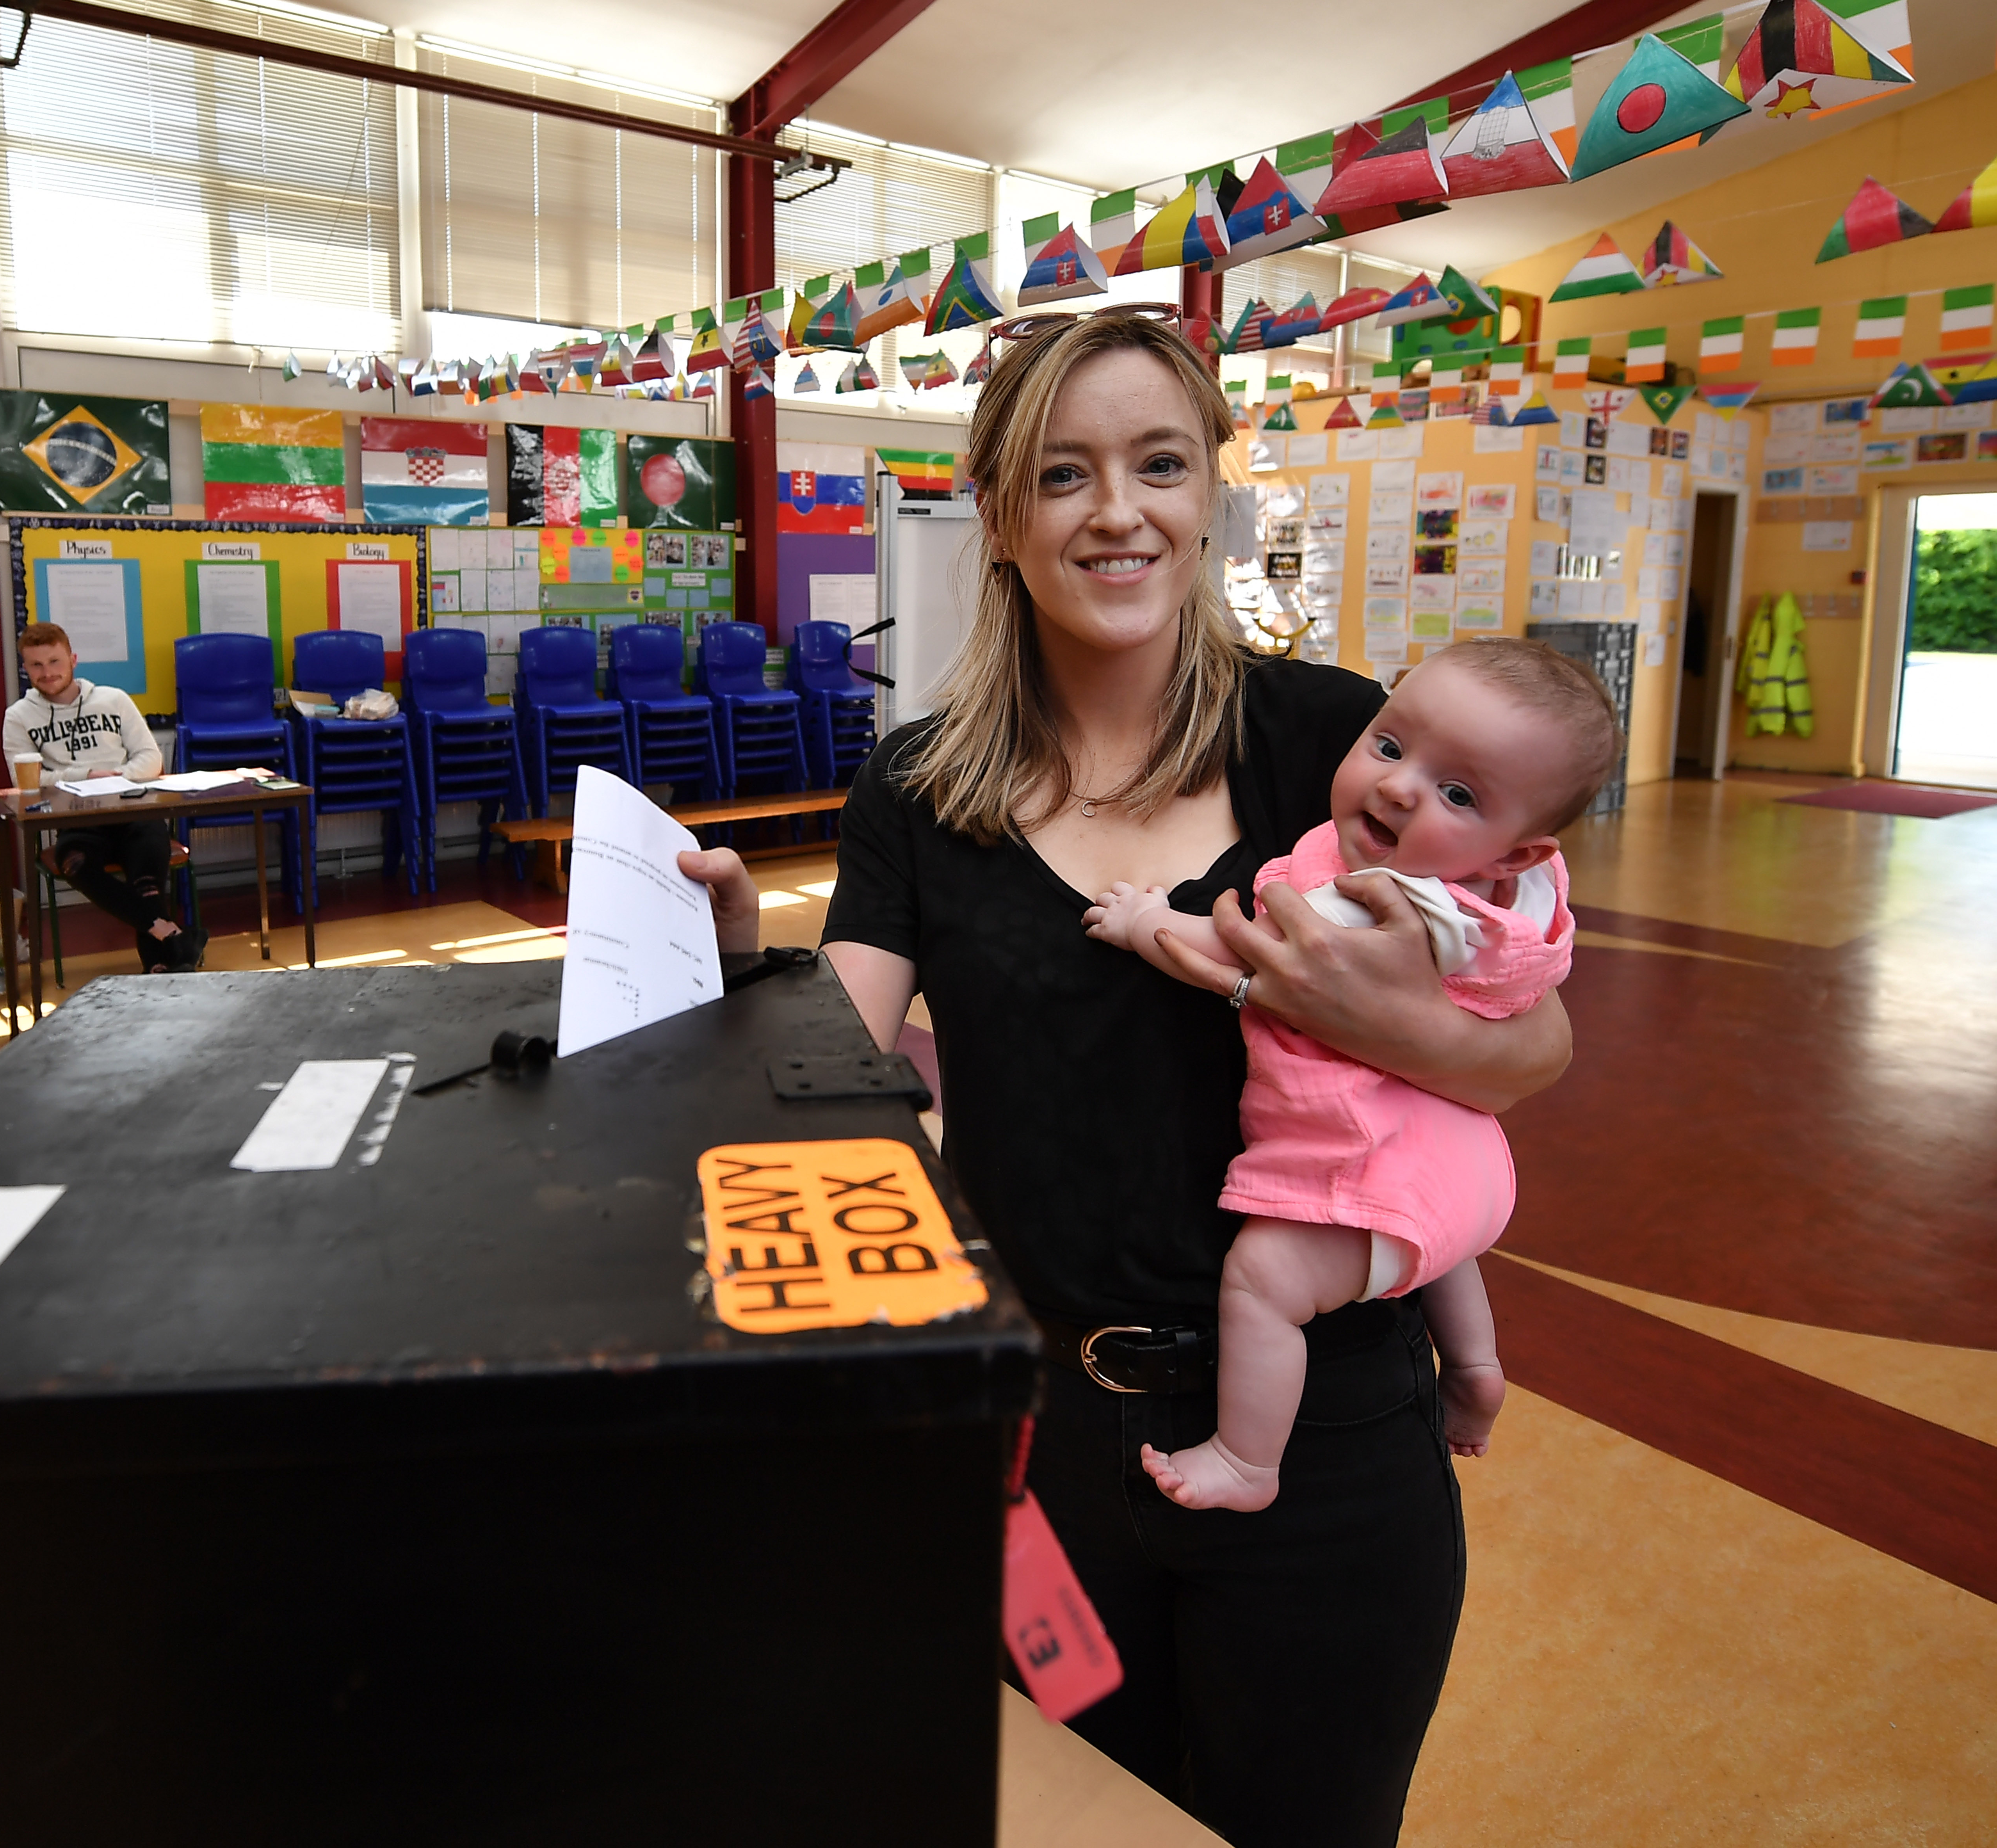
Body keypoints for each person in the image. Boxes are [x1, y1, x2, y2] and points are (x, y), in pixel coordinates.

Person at [675, 309, 1572, 1847]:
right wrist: (735, 952)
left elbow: (1533, 1042)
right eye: (1063, 472)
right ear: (1001, 513)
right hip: (1052, 1436)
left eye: (1158, 463)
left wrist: (1346, 1006)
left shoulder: (1327, 742)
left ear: (1206, 494)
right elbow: (829, 1072)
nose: (1117, 510)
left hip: (1327, 1434)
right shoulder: (918, 783)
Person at [1086, 639, 1619, 1512]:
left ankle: (1248, 1462)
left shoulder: (1376, 899)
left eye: (1458, 794)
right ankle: (1478, 1366)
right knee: (1426, 1241)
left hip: (1363, 1162)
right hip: (1465, 1171)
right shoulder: (1523, 911)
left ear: (1516, 851)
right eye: (1391, 745)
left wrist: (1146, 920)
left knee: (1264, 1283)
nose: (1401, 788)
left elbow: (1234, 948)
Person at [3, 623, 201, 973]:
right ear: (25, 668)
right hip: (78, 818)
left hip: (133, 808)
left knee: (148, 877)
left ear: (73, 660)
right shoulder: (18, 717)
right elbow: (28, 782)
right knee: (74, 861)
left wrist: (117, 779)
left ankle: (158, 964)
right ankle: (173, 940)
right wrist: (85, 776)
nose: (47, 673)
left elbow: (150, 759)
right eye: (36, 665)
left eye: (54, 662)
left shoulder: (114, 699)